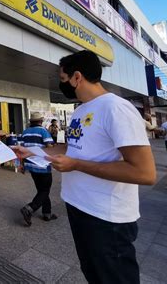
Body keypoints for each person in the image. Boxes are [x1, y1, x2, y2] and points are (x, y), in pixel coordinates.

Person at [13, 50, 155, 284]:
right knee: (93, 273)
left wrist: (76, 165)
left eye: (63, 78)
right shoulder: (80, 110)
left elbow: (144, 172)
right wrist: (32, 151)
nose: (62, 84)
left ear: (77, 77)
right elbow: (71, 150)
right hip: (79, 207)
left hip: (106, 218)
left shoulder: (116, 108)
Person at [19, 112, 56, 226]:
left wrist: (22, 165)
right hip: (42, 165)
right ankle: (30, 208)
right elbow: (49, 147)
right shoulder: (43, 131)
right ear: (41, 120)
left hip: (31, 165)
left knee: (42, 190)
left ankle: (47, 213)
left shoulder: (24, 132)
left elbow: (20, 150)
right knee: (45, 190)